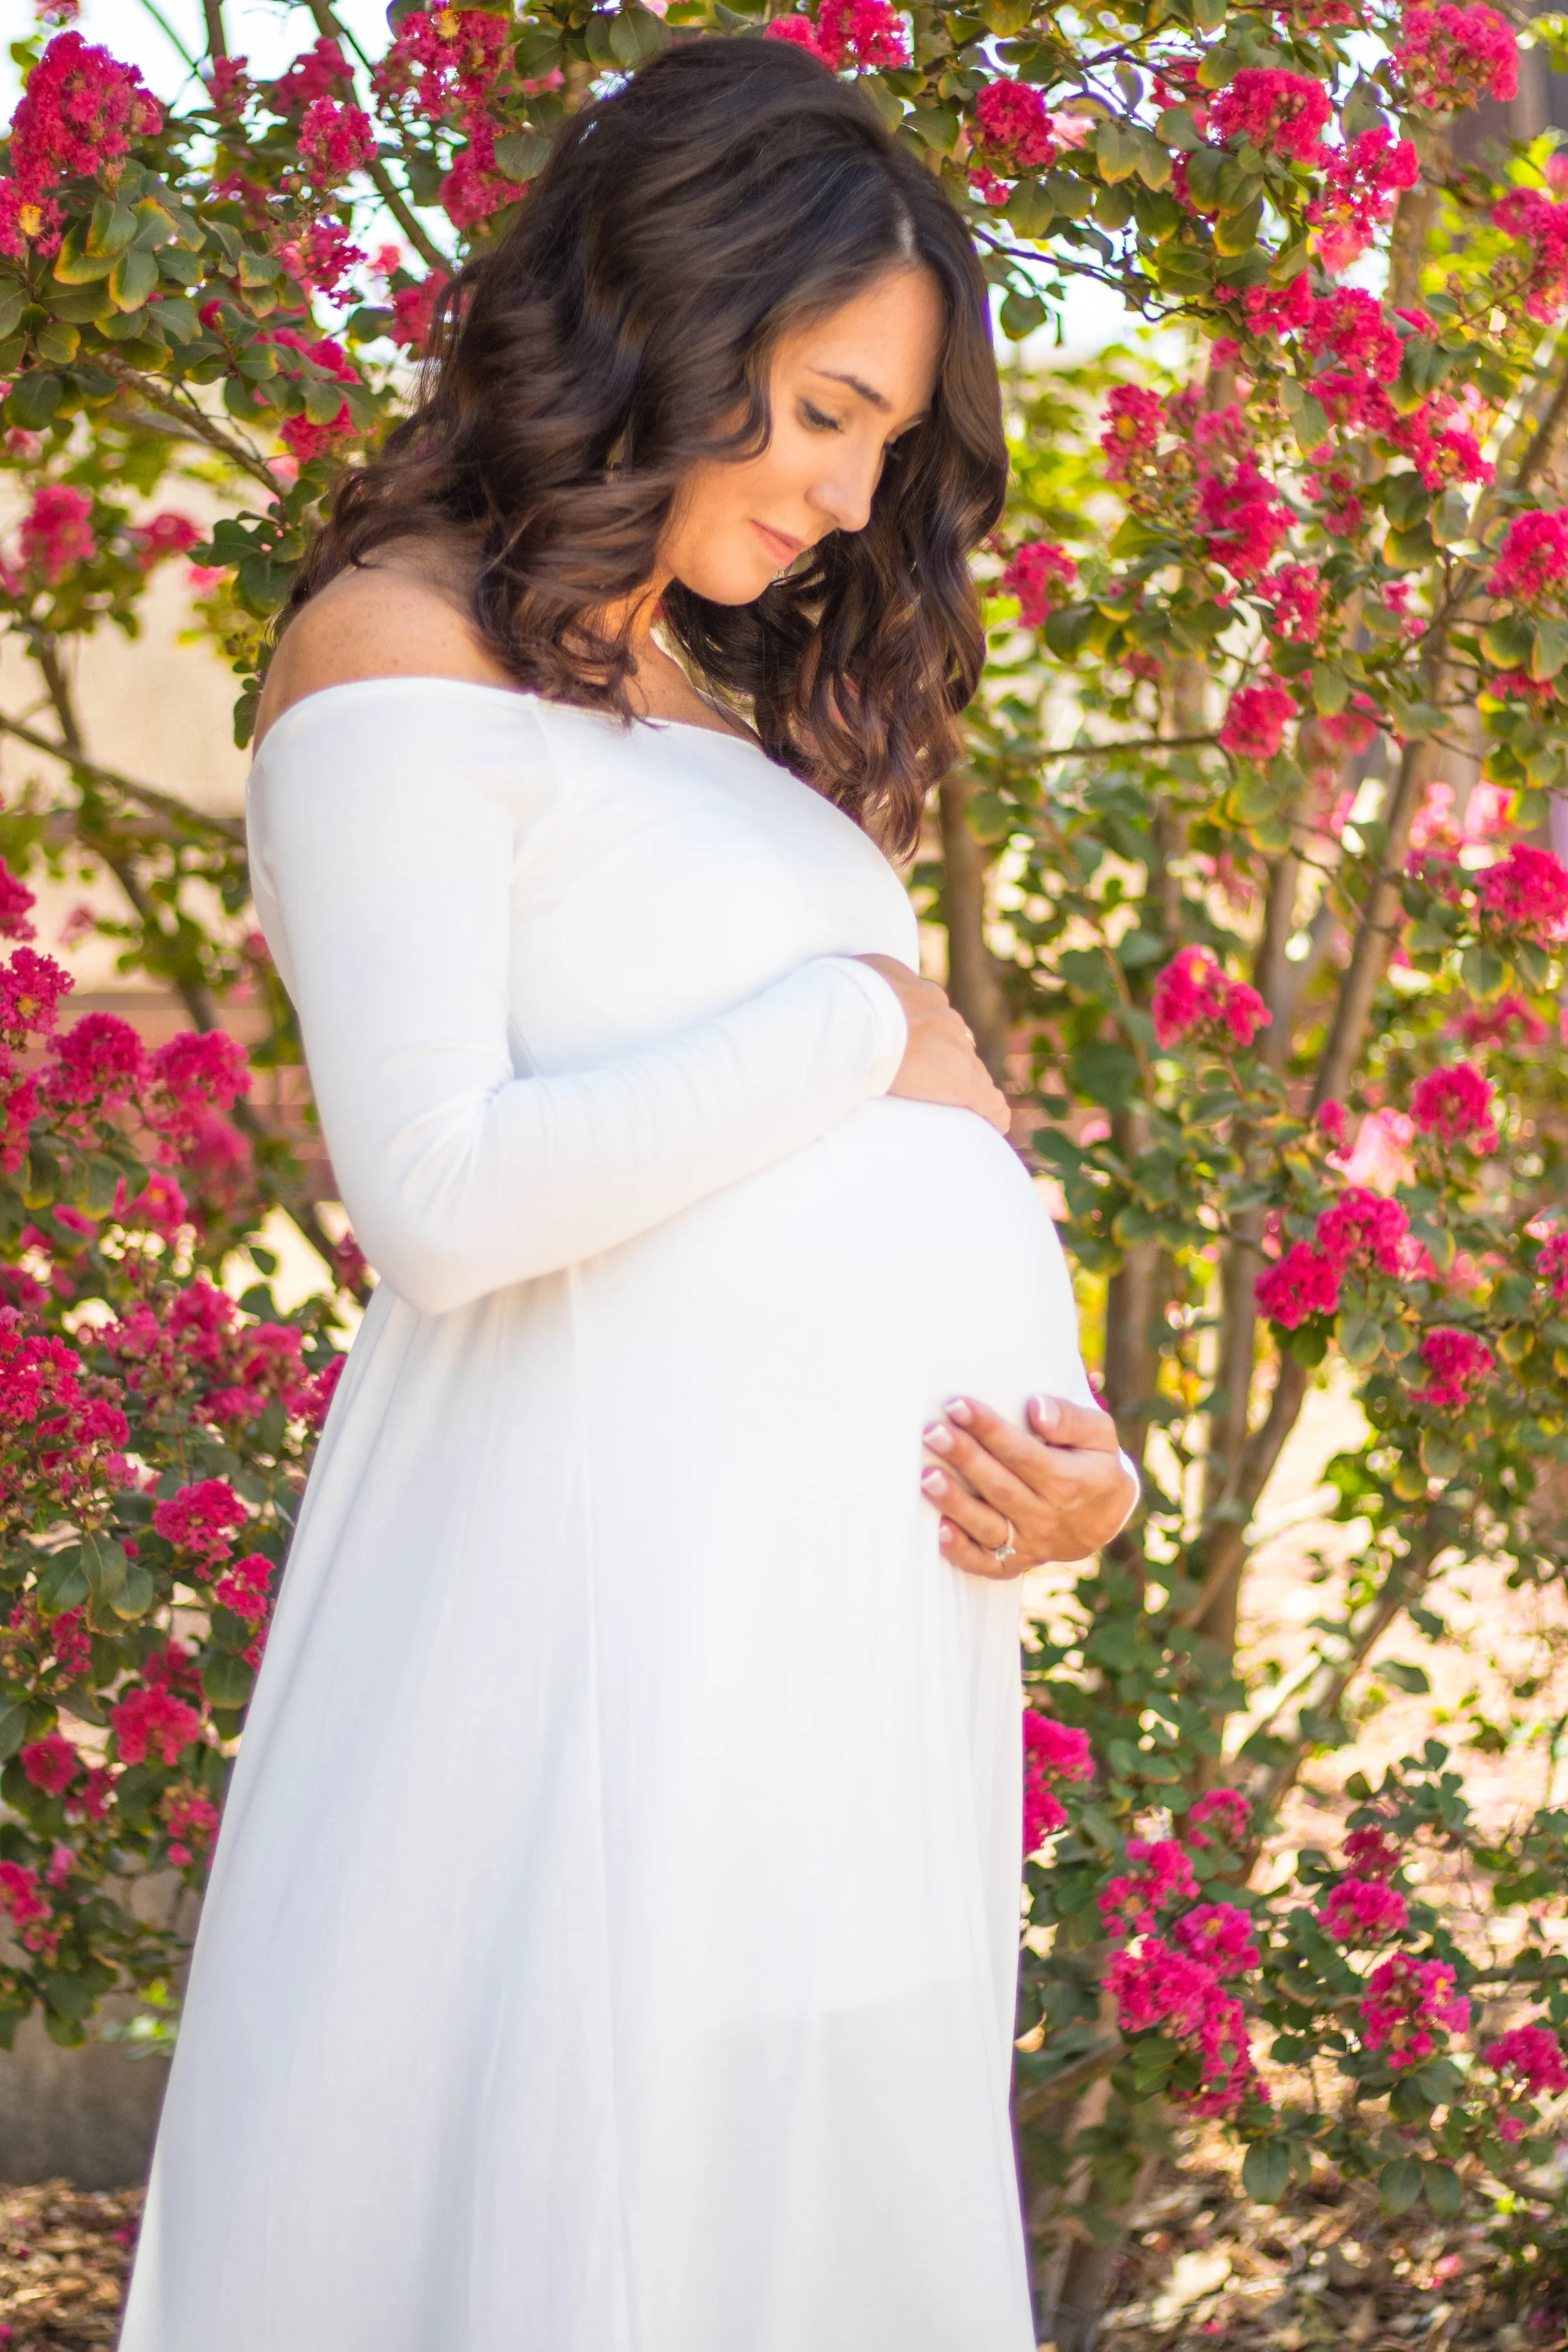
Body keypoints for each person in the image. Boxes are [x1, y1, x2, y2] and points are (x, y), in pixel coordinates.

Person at [119, 34, 1136, 2352]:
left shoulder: (720, 712)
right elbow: (447, 1196)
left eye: (881, 437)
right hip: (603, 1651)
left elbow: (881, 1153)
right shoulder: (390, 653)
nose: (844, 491)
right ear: (648, 325)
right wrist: (852, 1030)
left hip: (847, 1654)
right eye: (808, 406)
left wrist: (1063, 1447)